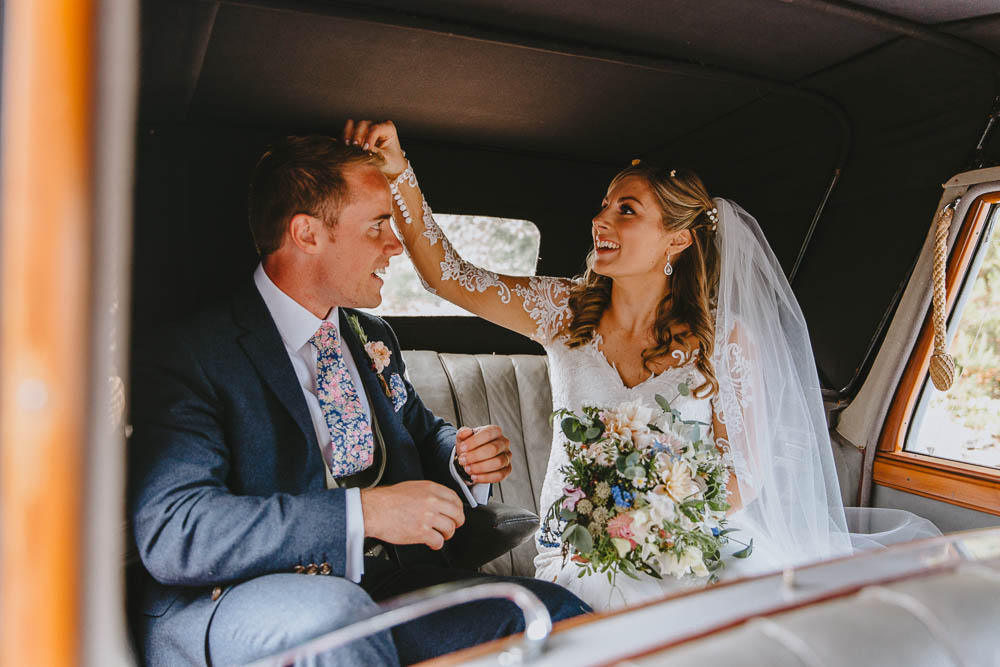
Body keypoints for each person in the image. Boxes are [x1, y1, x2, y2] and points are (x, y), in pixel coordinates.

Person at [343, 119, 940, 611]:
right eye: (604, 206)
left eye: (626, 210)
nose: (600, 220)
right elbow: (448, 277)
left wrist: (659, 526)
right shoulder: (562, 312)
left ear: (677, 240)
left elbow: (743, 475)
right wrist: (398, 173)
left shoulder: (723, 339)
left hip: (691, 544)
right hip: (576, 547)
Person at [127, 135, 590, 667]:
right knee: (337, 620)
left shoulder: (372, 337)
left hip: (382, 584)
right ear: (307, 234)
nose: (395, 245)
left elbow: (419, 432)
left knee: (555, 614)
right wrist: (364, 513)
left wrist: (460, 458)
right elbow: (177, 531)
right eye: (377, 225)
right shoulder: (193, 352)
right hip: (235, 597)